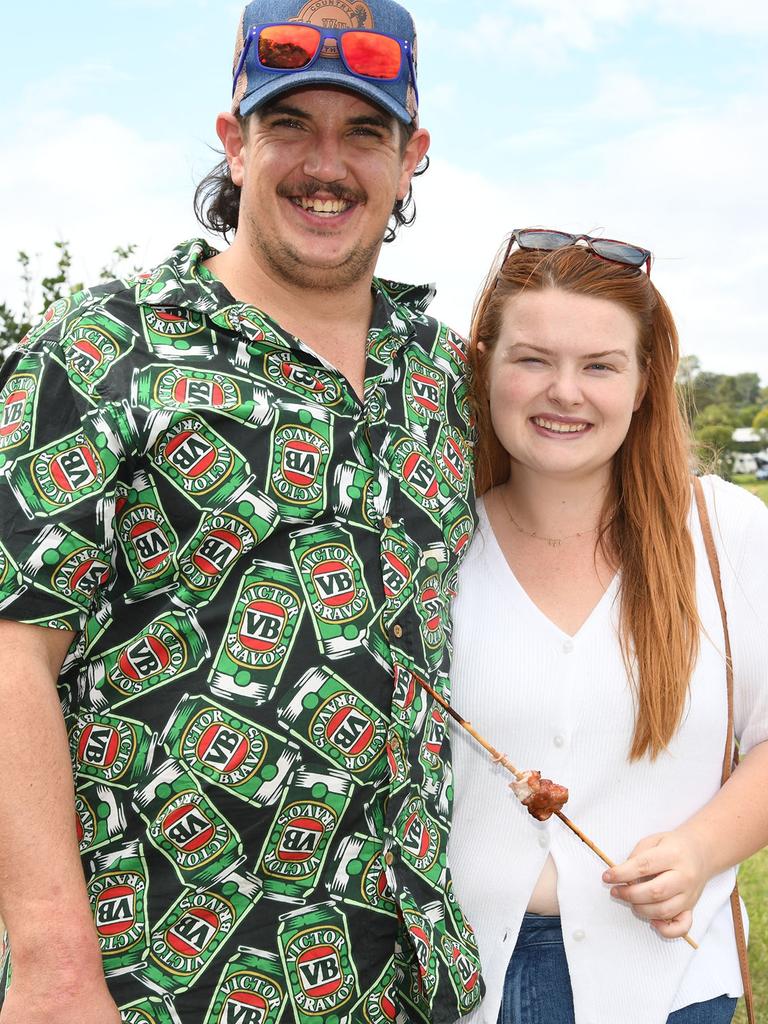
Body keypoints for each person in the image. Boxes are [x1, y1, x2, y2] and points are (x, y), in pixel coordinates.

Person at [0, 2, 482, 1021]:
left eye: (363, 131)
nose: (326, 163)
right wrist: (50, 956)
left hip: (402, 980)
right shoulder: (107, 346)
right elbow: (10, 654)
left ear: (412, 157)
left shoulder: (436, 375)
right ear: (233, 140)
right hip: (166, 979)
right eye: (289, 126)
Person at [446, 229, 768, 1024]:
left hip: (665, 986)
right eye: (532, 359)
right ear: (484, 364)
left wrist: (700, 851)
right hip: (455, 987)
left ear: (644, 381)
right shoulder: (431, 540)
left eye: (599, 365)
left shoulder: (726, 532)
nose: (565, 391)